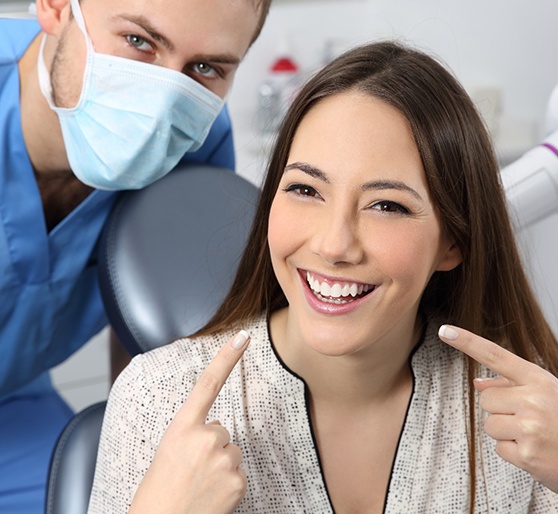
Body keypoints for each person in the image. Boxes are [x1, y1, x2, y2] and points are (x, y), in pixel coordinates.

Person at [89, 40, 558, 513]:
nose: (334, 245)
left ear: (452, 242)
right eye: (305, 189)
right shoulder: (156, 399)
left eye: (387, 205)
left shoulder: (531, 413)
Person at [0, 0, 270, 511]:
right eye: (139, 42)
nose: (164, 102)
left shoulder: (195, 140)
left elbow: (156, 335)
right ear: (55, 7)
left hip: (15, 404)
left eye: (205, 68)